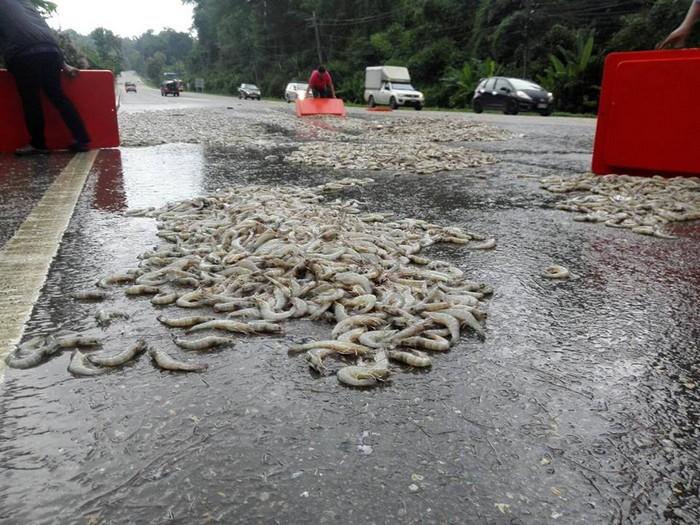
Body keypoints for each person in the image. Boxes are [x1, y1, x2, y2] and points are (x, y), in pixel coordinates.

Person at [0, 0, 90, 155]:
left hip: (23, 53)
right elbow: (42, 34)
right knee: (57, 95)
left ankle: (38, 144)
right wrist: (64, 64)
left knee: (31, 99)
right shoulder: (26, 4)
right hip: (51, 51)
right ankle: (82, 139)